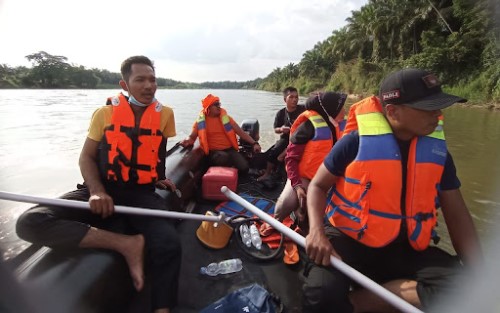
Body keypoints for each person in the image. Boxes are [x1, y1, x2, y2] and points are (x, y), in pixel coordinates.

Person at [304, 68, 483, 313]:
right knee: (321, 296)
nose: (438, 114)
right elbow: (317, 186)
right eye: (428, 108)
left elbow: (457, 215)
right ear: (393, 111)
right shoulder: (355, 141)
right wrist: (316, 231)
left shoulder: (439, 154)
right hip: (349, 241)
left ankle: (359, 302)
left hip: (404, 246)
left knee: (466, 288)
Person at [16, 56, 181, 313]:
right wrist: (96, 191)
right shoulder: (104, 114)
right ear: (124, 85)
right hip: (101, 188)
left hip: (140, 193)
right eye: (140, 80)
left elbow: (158, 150)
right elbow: (86, 157)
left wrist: (158, 174)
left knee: (169, 243)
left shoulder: (165, 115)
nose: (149, 86)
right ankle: (126, 243)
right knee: (30, 221)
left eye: (152, 79)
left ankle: (163, 309)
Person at [274, 92, 347, 229]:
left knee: (313, 220)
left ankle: (302, 213)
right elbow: (291, 158)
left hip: (329, 179)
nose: (345, 111)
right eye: (342, 108)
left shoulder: (346, 127)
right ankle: (278, 221)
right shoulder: (308, 127)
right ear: (331, 110)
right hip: (304, 178)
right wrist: (296, 185)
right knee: (285, 204)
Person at [180, 94, 261, 174]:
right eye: (216, 104)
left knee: (244, 167)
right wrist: (186, 141)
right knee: (223, 157)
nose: (219, 106)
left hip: (230, 150)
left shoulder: (227, 119)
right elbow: (192, 137)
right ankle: (227, 170)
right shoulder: (200, 122)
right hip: (214, 152)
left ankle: (231, 170)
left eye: (219, 104)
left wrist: (254, 143)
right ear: (208, 108)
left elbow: (241, 133)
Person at [257, 86, 306, 181]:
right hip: (286, 138)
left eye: (296, 97)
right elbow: (275, 129)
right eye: (291, 97)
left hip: (300, 139)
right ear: (285, 99)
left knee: (285, 155)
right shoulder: (280, 113)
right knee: (273, 153)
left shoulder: (303, 110)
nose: (294, 100)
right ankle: (267, 173)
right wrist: (281, 129)